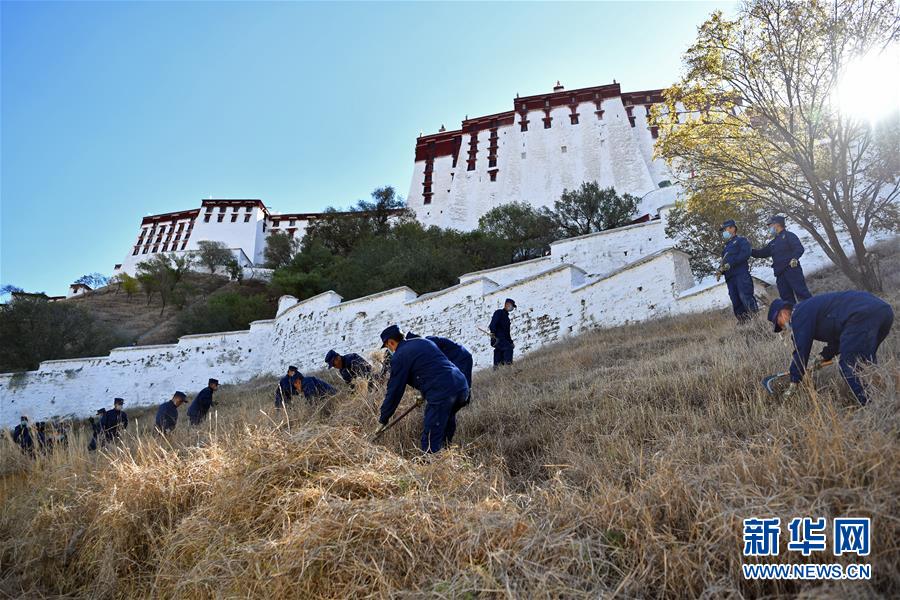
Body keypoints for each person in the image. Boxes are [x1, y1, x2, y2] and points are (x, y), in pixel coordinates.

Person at [768, 292, 894, 405]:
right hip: (883, 311)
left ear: (783, 312)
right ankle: (887, 398)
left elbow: (801, 349)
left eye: (778, 321)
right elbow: (842, 338)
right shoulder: (809, 309)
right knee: (865, 362)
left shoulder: (798, 314)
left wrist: (794, 380)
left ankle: (873, 406)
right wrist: (823, 356)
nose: (781, 327)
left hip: (861, 315)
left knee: (849, 365)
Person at [376, 325, 469, 453]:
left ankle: (432, 467)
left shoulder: (399, 356)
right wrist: (424, 393)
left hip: (442, 392)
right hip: (461, 386)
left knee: (431, 435)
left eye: (387, 346)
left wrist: (383, 418)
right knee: (446, 422)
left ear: (391, 342)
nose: (389, 349)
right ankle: (447, 456)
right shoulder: (423, 342)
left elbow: (394, 391)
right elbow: (433, 368)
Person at [405, 332, 473, 445]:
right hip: (455, 367)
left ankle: (440, 445)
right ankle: (445, 443)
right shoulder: (424, 346)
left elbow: (439, 374)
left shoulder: (428, 344)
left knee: (446, 407)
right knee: (448, 409)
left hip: (459, 362)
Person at [751, 215, 811, 304]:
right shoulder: (773, 242)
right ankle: (793, 317)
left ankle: (813, 314)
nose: (769, 228)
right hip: (780, 275)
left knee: (802, 294)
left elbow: (799, 248)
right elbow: (761, 253)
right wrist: (748, 251)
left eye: (770, 225)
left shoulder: (789, 236)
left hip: (792, 270)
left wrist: (795, 258)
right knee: (786, 300)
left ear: (777, 224)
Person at [717, 219, 758, 322]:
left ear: (732, 228)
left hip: (741, 275)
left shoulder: (741, 240)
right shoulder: (726, 247)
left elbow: (745, 254)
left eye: (725, 229)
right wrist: (720, 270)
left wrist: (730, 264)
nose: (724, 233)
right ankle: (743, 322)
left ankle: (756, 321)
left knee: (745, 297)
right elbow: (724, 262)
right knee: (735, 300)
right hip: (730, 278)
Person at [489, 298, 517, 367]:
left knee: (499, 353)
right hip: (498, 338)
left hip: (503, 339)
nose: (512, 308)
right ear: (507, 304)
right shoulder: (499, 312)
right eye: (512, 306)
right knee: (508, 348)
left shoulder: (507, 318)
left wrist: (511, 342)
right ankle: (508, 367)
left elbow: (507, 333)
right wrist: (493, 334)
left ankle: (497, 371)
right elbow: (492, 324)